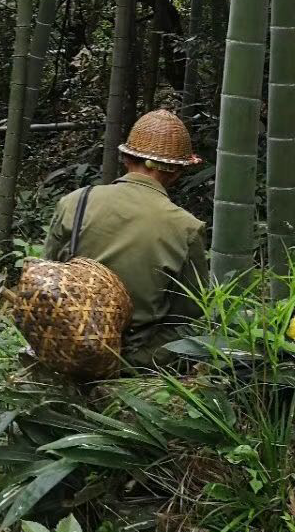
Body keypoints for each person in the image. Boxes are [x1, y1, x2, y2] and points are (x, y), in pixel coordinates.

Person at [43, 108, 207, 364]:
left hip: (65, 347)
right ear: (176, 172)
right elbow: (188, 316)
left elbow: (47, 278)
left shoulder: (75, 202)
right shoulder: (186, 227)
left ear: (126, 158)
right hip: (133, 361)